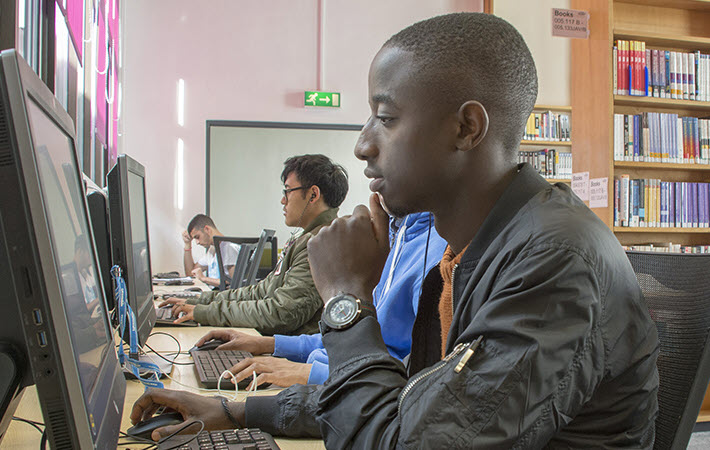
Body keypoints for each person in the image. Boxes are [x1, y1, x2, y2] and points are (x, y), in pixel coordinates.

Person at [132, 13, 659, 447]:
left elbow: (407, 440)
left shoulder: (553, 260)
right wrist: (234, 410)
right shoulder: (480, 249)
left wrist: (345, 298)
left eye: (384, 118)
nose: (362, 144)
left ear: (466, 128)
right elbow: (413, 404)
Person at [194, 212, 447, 388]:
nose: (364, 151)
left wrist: (309, 373)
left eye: (288, 190)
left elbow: (412, 378)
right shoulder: (400, 237)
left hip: (349, 390)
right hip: (334, 379)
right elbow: (343, 340)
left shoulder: (438, 254)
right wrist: (268, 345)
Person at [162, 154, 349, 336]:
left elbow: (281, 314)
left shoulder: (320, 244)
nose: (283, 200)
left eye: (287, 191)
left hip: (291, 357)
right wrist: (199, 301)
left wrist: (205, 312)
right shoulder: (306, 238)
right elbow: (260, 291)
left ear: (313, 194)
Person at [182, 214, 239, 288]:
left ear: (207, 229)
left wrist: (204, 279)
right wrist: (187, 244)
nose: (197, 242)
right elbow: (191, 273)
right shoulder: (212, 250)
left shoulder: (229, 248)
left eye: (197, 237)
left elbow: (234, 283)